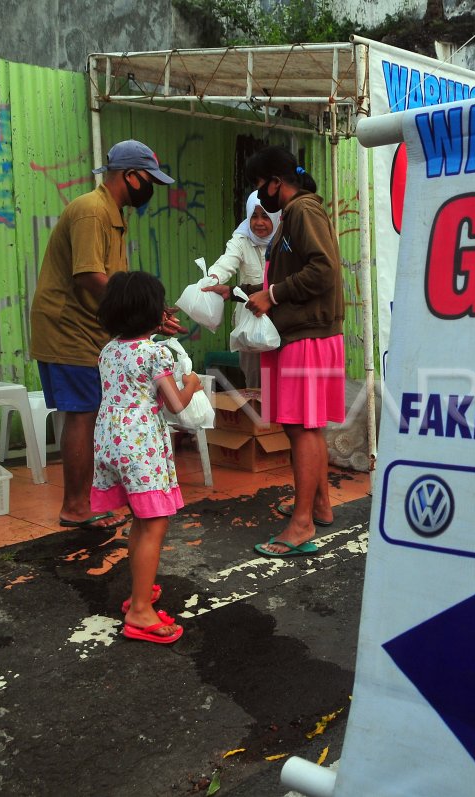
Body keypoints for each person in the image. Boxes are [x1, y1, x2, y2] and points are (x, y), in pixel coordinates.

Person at [29, 139, 183, 532]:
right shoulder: (91, 211)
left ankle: (88, 501)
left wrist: (148, 315)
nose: (151, 190)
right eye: (149, 180)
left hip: (90, 326)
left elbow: (114, 281)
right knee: (81, 415)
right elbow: (89, 275)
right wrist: (142, 312)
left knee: (90, 411)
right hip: (69, 327)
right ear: (131, 176)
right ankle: (76, 506)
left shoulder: (111, 212)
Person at [204, 146, 345, 557]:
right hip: (303, 334)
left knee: (302, 427)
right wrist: (234, 292)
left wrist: (274, 293)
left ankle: (301, 525)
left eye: (259, 186)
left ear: (275, 182)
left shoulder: (302, 211)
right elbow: (282, 283)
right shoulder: (298, 214)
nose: (259, 195)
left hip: (307, 337)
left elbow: (324, 269)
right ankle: (318, 505)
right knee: (303, 425)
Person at [93, 271, 201, 644]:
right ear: (154, 313)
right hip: (141, 447)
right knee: (153, 523)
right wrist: (192, 384)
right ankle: (140, 611)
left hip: (110, 441)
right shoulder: (156, 354)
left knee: (140, 518)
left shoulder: (108, 350)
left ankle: (141, 589)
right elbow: (176, 406)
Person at [206, 191, 281, 388]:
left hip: (281, 319)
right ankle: (257, 418)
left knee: (281, 382)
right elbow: (227, 261)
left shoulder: (284, 240)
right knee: (255, 384)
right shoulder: (241, 239)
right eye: (254, 216)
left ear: (275, 215)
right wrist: (213, 277)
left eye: (265, 216)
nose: (258, 222)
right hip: (251, 324)